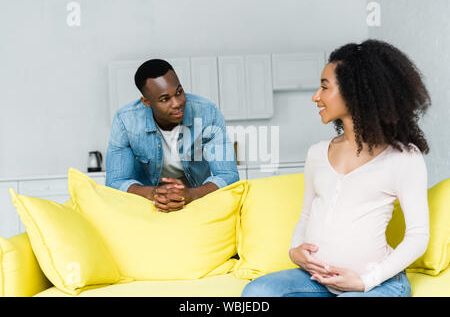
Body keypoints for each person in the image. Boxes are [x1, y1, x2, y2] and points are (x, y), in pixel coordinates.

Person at [242, 39, 431, 297]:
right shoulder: (317, 153)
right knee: (258, 292)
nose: (315, 97)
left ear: (355, 93)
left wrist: (364, 282)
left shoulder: (403, 158)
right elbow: (306, 216)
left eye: (324, 87)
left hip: (377, 283)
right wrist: (294, 250)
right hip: (318, 280)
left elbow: (418, 236)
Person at [105, 59, 239, 212]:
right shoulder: (125, 121)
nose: (177, 103)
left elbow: (229, 175)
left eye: (179, 92)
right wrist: (152, 193)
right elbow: (115, 182)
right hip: (146, 201)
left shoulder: (208, 112)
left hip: (197, 196)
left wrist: (192, 194)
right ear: (146, 102)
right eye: (165, 99)